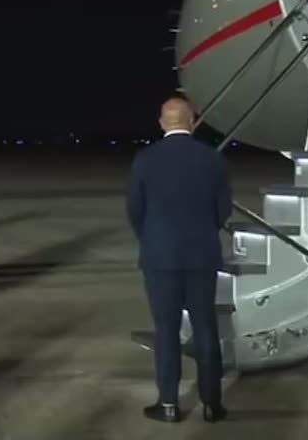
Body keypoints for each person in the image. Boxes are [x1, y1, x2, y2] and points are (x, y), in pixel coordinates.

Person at [126, 96, 230, 423]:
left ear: (162, 123)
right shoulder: (211, 158)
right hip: (201, 255)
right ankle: (212, 403)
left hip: (160, 257)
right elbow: (223, 208)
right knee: (205, 328)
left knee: (167, 330)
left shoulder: (146, 159)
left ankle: (169, 404)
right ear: (193, 121)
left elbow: (135, 209)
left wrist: (154, 240)